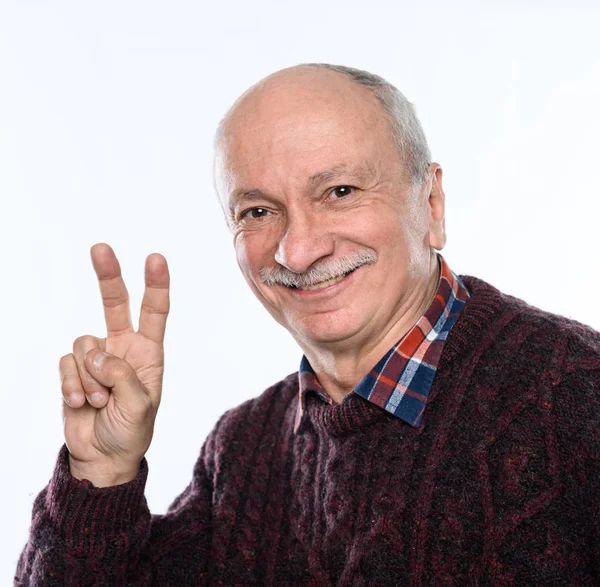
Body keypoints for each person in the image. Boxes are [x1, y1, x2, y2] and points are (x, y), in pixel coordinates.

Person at [15, 63, 600, 586]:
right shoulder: (241, 450)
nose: (297, 250)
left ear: (431, 204)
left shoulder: (577, 394)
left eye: (340, 191)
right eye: (259, 212)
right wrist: (102, 475)